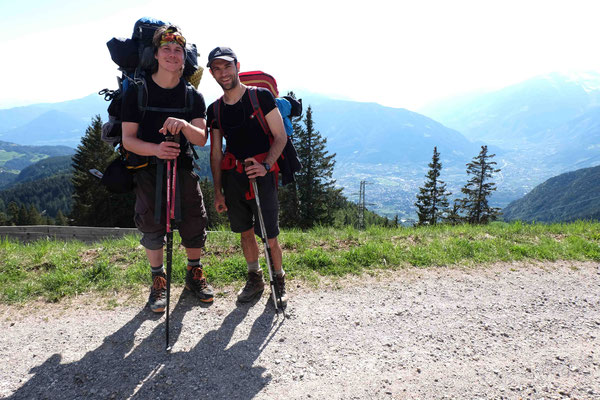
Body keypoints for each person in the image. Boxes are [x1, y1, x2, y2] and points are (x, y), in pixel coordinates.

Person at [121, 25, 213, 312]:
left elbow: (200, 138)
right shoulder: (137, 92)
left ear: (184, 59)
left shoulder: (192, 97)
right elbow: (128, 140)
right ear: (156, 55)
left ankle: (193, 273)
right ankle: (158, 281)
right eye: (166, 49)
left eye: (178, 50)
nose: (172, 54)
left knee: (195, 220)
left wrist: (184, 124)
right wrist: (157, 149)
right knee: (151, 223)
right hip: (148, 168)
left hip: (183, 168)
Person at [206, 47, 288, 307]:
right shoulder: (215, 109)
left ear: (237, 66)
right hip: (234, 178)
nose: (223, 73)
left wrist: (266, 165)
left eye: (227, 66)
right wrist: (218, 190)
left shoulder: (260, 97)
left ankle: (279, 280)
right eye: (217, 69)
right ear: (211, 73)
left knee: (270, 235)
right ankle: (255, 277)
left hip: (262, 176)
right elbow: (216, 153)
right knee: (244, 232)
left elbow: (281, 136)